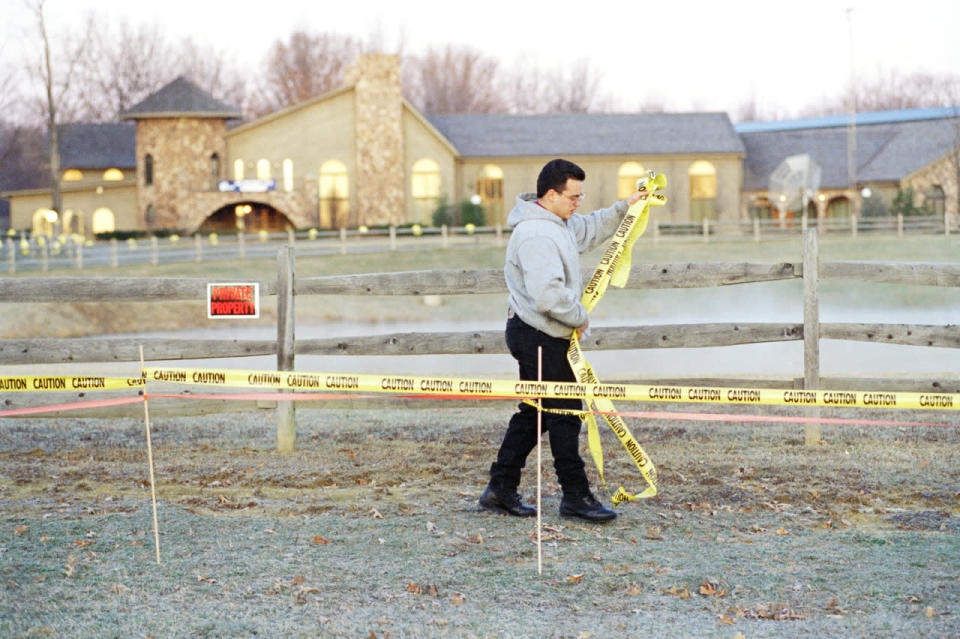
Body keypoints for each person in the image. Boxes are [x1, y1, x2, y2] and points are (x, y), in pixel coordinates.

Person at [479, 158, 647, 523]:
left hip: (543, 333)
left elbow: (588, 228)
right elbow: (548, 296)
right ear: (551, 195)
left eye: (580, 196)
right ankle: (574, 497)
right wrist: (579, 316)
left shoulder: (559, 223)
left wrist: (627, 206)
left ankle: (500, 489)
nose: (578, 203)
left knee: (536, 414)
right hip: (538, 335)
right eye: (573, 197)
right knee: (565, 413)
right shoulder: (537, 234)